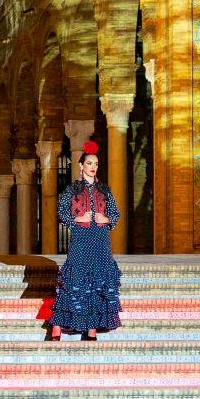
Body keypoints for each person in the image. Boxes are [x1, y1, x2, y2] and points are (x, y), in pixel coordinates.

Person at [47, 140, 121, 342]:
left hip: (101, 240)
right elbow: (61, 213)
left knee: (98, 282)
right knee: (76, 279)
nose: (93, 167)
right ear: (81, 166)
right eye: (89, 163)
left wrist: (106, 219)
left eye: (95, 164)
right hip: (81, 239)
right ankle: (57, 325)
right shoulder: (72, 190)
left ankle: (91, 330)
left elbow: (115, 214)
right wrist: (77, 219)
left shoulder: (105, 191)